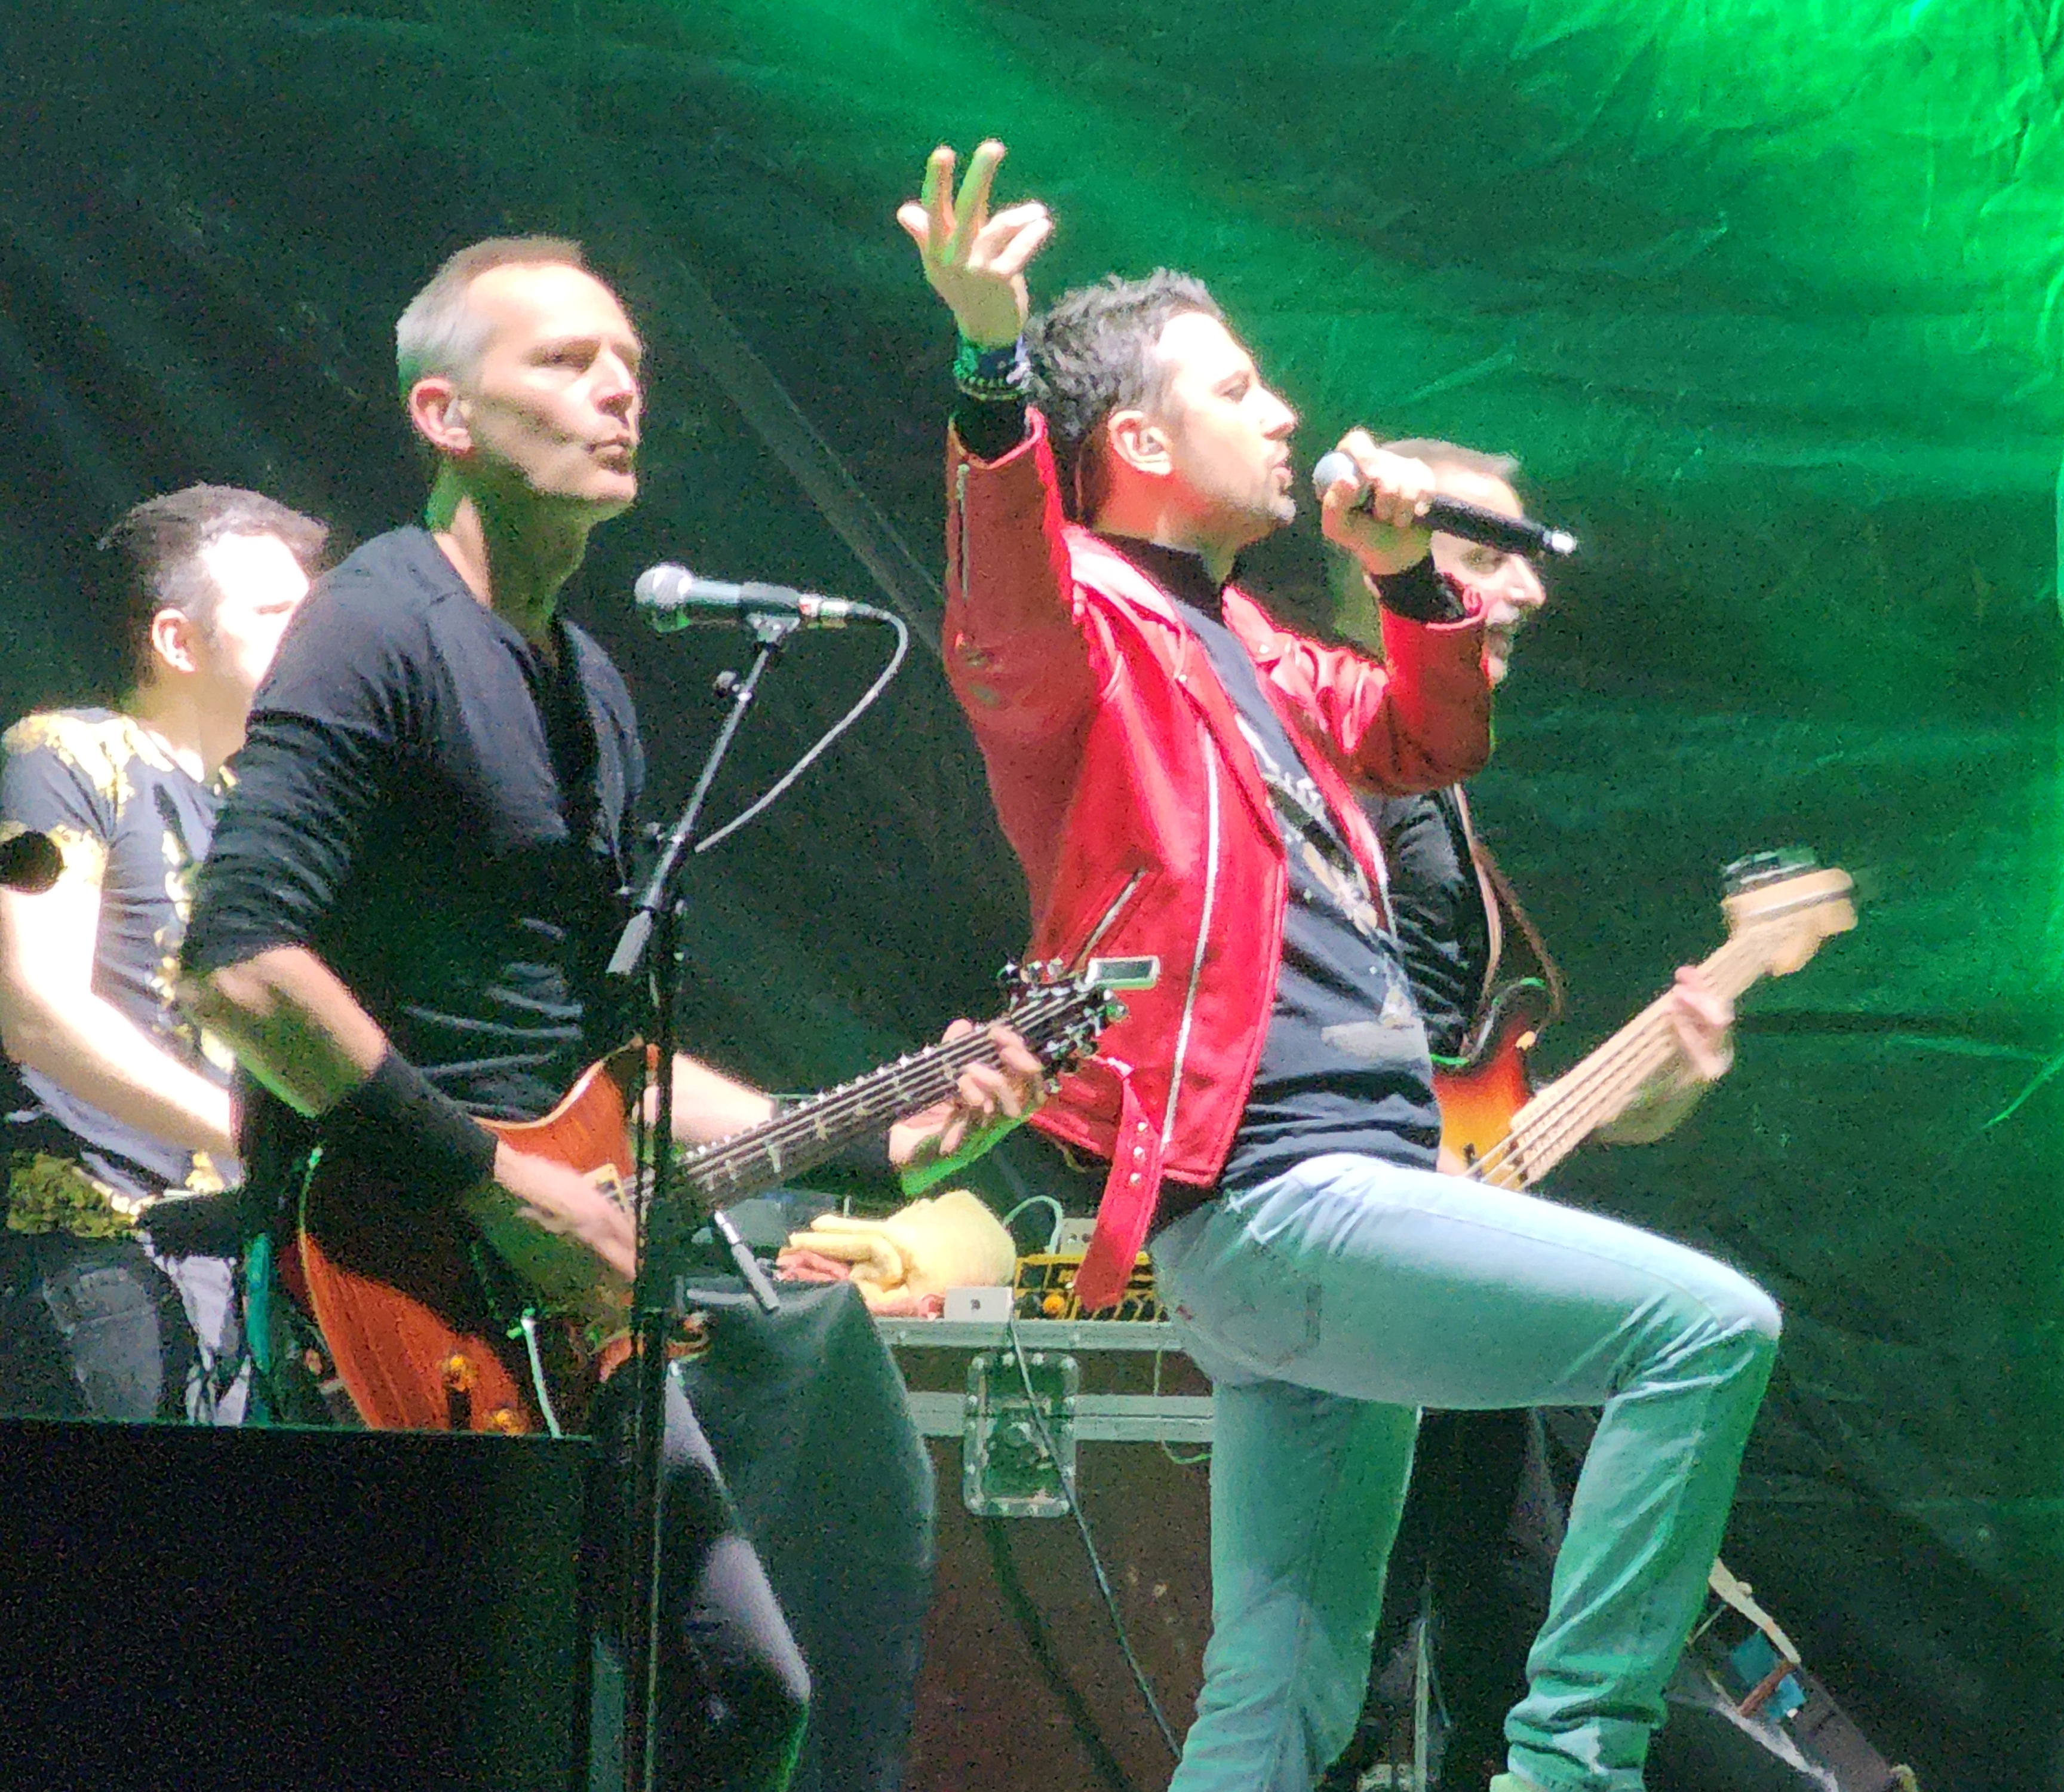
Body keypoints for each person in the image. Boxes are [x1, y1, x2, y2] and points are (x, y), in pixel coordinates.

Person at [902, 139, 1782, 1792]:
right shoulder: (1078, 622)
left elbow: (1429, 738)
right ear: (1139, 444)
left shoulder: (1249, 643)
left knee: (1278, 1699)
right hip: (1276, 1191)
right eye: (1239, 389)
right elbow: (1006, 575)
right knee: (1705, 1331)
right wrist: (988, 363)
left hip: (1329, 1201)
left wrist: (1401, 573)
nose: (1286, 413)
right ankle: (1571, 1768)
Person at [179, 236, 1037, 1792]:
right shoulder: (375, 626)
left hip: (556, 1291)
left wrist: (870, 1147)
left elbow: (604, 1065)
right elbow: (239, 968)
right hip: (391, 1268)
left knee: (741, 1700)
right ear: (443, 414)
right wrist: (498, 1189)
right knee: (444, 1719)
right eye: (565, 361)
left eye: (631, 363)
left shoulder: (590, 687)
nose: (620, 389)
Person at [1323, 445, 1727, 1792]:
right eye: (1489, 556)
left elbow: (1464, 1087)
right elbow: (1314, 1035)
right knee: (1349, 1689)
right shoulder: (1347, 761)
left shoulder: (1429, 777)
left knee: (1505, 1653)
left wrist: (1643, 1092)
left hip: (1444, 1282)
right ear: (1384, 559)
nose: (1531, 592)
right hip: (1380, 1274)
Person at [0, 484, 322, 1424]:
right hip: (87, 1252)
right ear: (179, 643)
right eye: (276, 613)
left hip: (229, 1271)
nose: (312, 638)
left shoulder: (251, 810)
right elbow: (35, 1009)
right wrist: (254, 1135)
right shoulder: (62, 754)